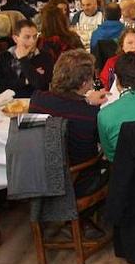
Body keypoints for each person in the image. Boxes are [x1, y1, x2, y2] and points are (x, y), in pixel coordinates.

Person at [29, 50, 110, 193]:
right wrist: (89, 104)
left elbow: (65, 105)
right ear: (85, 83)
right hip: (79, 183)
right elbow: (104, 145)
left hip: (41, 179)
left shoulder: (37, 100)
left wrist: (86, 101)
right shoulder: (90, 113)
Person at [0, 19, 52, 98]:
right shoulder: (4, 57)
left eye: (35, 37)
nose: (33, 41)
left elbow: (40, 85)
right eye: (27, 37)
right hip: (6, 104)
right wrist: (26, 80)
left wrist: (23, 59)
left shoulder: (45, 57)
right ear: (15, 38)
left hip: (34, 105)